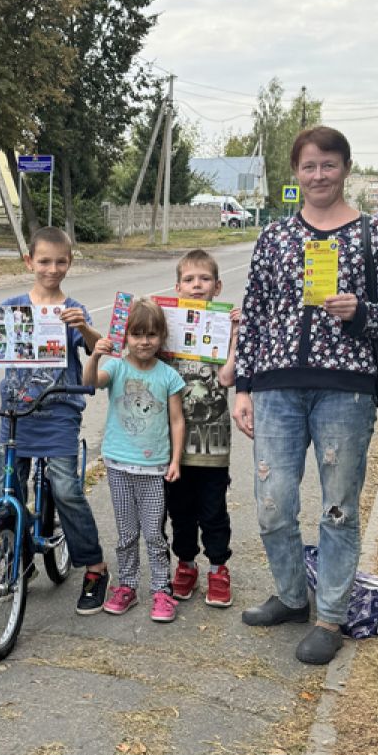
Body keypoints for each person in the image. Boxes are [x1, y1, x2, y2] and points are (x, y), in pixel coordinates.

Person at [231, 126, 378, 665]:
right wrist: (243, 385)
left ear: (346, 169)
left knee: (337, 509)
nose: (318, 176)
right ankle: (291, 596)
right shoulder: (276, 237)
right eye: (309, 166)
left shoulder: (375, 236)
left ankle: (330, 615)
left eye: (328, 166)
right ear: (296, 173)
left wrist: (360, 313)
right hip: (276, 388)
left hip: (345, 391)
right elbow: (257, 313)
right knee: (272, 506)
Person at [0, 227, 110, 614]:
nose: (52, 268)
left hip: (59, 413)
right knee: (6, 491)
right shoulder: (12, 307)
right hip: (15, 414)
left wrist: (83, 328)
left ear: (70, 263)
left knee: (65, 488)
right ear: (29, 262)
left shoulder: (73, 309)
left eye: (60, 261)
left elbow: (97, 348)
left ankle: (94, 567)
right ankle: (20, 553)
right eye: (44, 261)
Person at [84, 299, 187, 622]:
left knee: (155, 534)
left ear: (162, 337)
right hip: (118, 466)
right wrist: (96, 354)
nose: (145, 341)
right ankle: (127, 585)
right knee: (127, 533)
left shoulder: (168, 376)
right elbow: (90, 383)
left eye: (152, 334)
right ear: (125, 335)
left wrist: (175, 460)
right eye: (137, 334)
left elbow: (176, 420)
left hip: (154, 469)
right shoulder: (116, 367)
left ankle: (161, 590)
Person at [163, 250, 240, 608]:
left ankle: (219, 568)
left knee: (212, 508)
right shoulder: (168, 328)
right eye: (189, 280)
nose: (197, 286)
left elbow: (226, 377)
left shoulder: (223, 327)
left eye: (204, 279)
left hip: (212, 441)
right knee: (179, 509)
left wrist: (236, 335)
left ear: (217, 286)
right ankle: (186, 564)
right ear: (177, 287)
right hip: (173, 443)